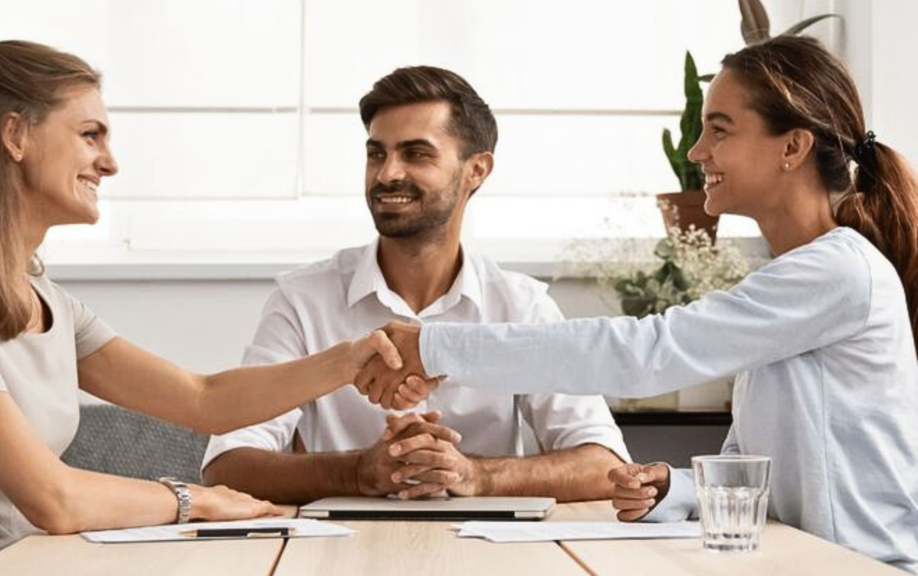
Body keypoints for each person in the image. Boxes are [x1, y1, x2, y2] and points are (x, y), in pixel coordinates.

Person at [354, 37, 918, 572]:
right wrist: (677, 487)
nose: (698, 151)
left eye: (718, 131)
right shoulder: (794, 277)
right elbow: (756, 469)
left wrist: (433, 344)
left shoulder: (837, 271)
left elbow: (648, 350)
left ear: (792, 147)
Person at [0, 41, 401, 576]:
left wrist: (349, 360)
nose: (109, 163)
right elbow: (52, 498)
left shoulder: (46, 299)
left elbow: (203, 399)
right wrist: (195, 500)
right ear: (15, 135)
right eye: (90, 135)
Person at [201, 66, 629, 504]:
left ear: (476, 170)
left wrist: (473, 474)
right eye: (376, 154)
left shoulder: (520, 305)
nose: (387, 174)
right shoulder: (303, 300)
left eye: (416, 154)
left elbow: (604, 465)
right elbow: (227, 466)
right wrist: (358, 473)